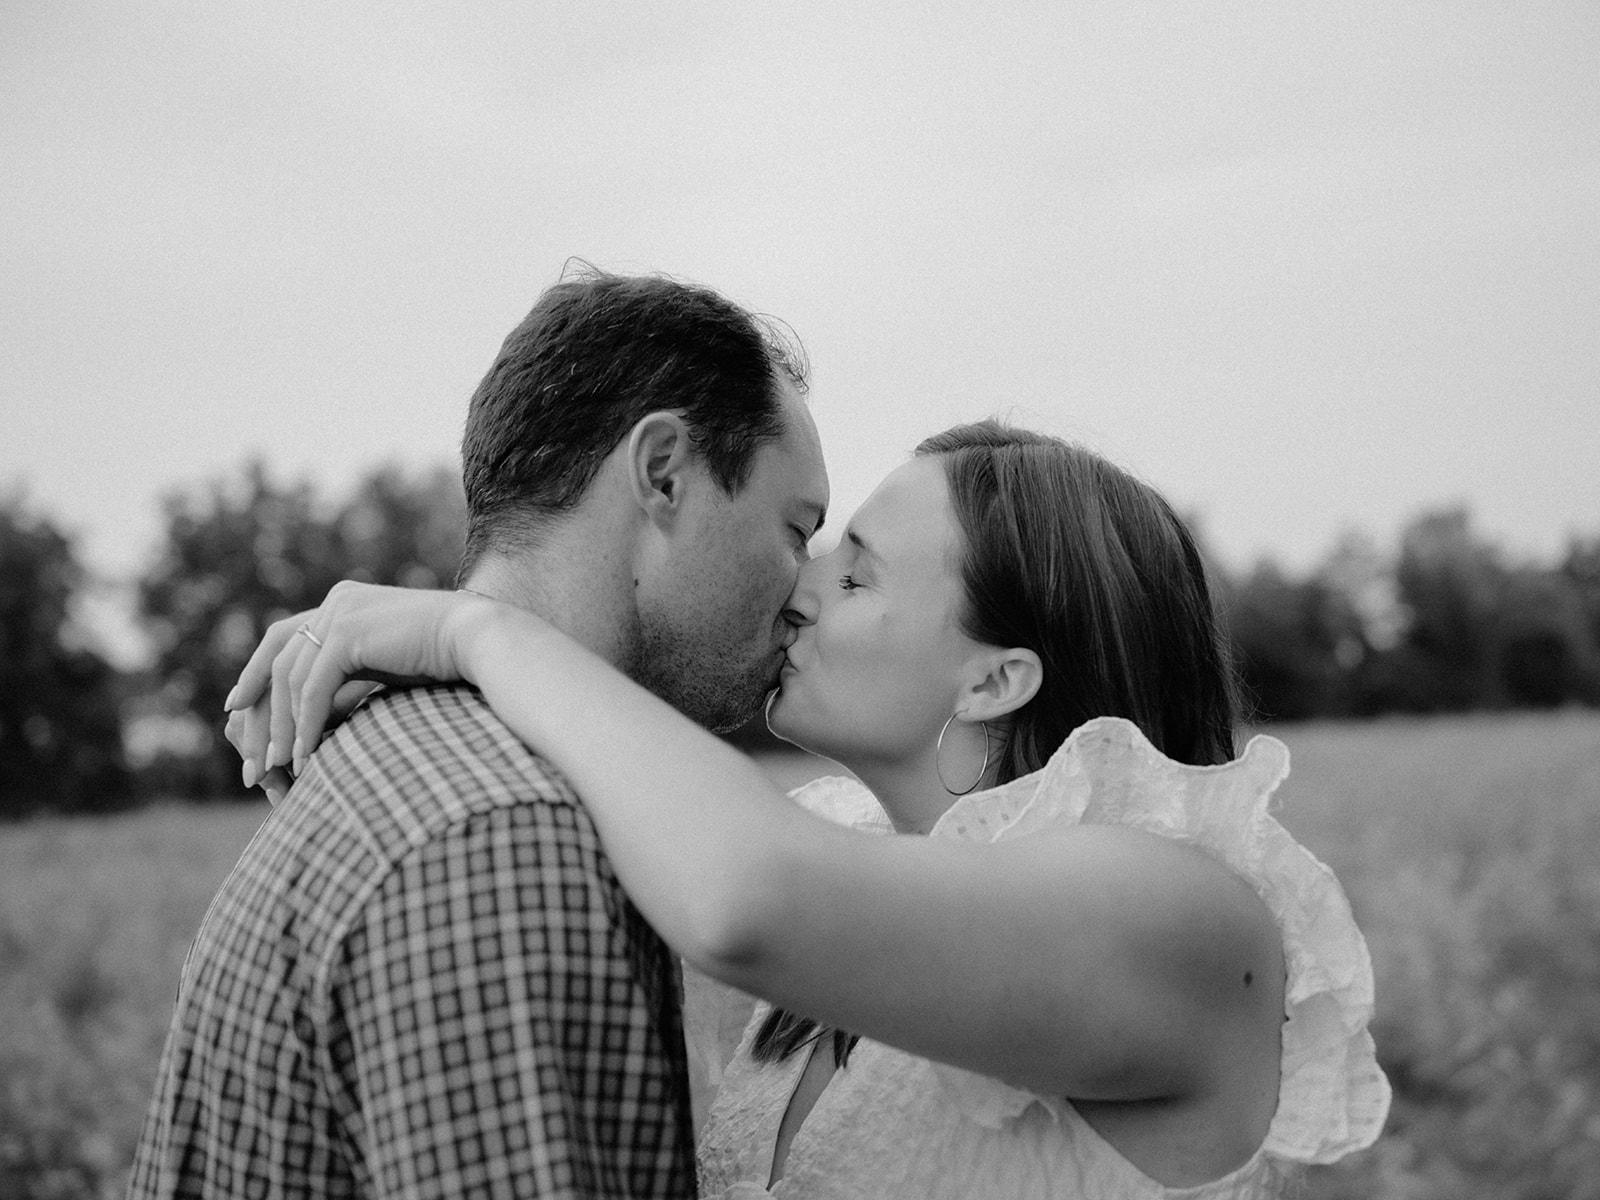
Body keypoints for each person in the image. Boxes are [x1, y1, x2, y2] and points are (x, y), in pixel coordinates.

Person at [226, 421, 1391, 1198]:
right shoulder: (855, 878)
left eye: (857, 572)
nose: (799, 588)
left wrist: (476, 629)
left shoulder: (1181, 915)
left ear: (994, 679)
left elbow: (743, 896)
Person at [129, 267, 831, 1200]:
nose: (805, 589)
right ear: (664, 472)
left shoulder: (422, 760)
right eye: (797, 528)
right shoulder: (507, 836)